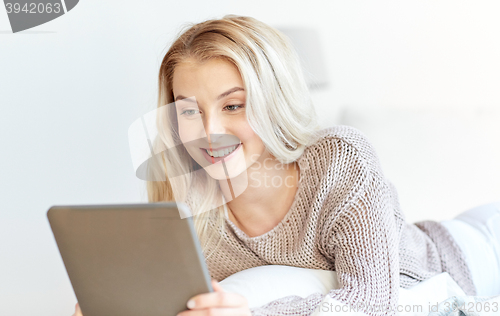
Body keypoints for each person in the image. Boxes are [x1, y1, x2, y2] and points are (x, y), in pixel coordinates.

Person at [72, 15, 500, 316]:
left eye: (234, 105)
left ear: (271, 102)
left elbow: (370, 302)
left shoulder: (337, 158)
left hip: (470, 252)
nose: (209, 131)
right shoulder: (188, 201)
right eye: (188, 111)